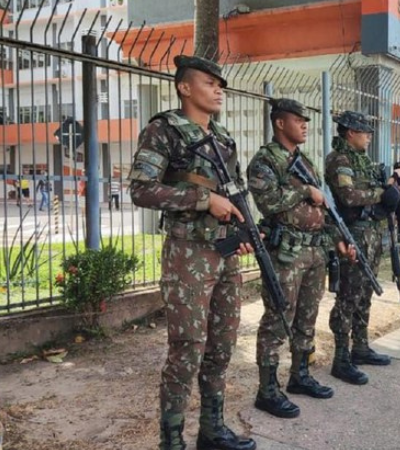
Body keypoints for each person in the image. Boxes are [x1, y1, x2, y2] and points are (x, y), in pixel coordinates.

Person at [128, 55, 256, 450]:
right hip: (189, 253)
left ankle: (211, 429)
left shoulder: (224, 139)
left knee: (222, 342)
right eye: (209, 83)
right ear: (184, 87)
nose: (219, 90)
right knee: (187, 346)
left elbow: (234, 195)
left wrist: (242, 228)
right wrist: (204, 200)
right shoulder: (163, 131)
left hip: (224, 253)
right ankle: (172, 439)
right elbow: (141, 189)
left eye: (221, 85)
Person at [247, 99, 355, 419]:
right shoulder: (264, 160)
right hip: (285, 253)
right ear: (280, 123)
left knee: (307, 318)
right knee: (278, 320)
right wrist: (305, 191)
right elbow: (268, 202)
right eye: (298, 120)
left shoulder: (305, 161)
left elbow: (324, 209)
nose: (305, 125)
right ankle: (267, 390)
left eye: (306, 120)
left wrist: (338, 239)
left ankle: (300, 376)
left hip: (313, 250)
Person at [325, 110, 400, 385]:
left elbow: (369, 191)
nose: (369, 136)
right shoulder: (340, 160)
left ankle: (360, 345)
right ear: (350, 133)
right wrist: (381, 194)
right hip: (353, 233)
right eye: (364, 131)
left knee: (365, 292)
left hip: (370, 232)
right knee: (348, 296)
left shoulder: (362, 159)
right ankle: (341, 358)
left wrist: (387, 190)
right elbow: (347, 196)